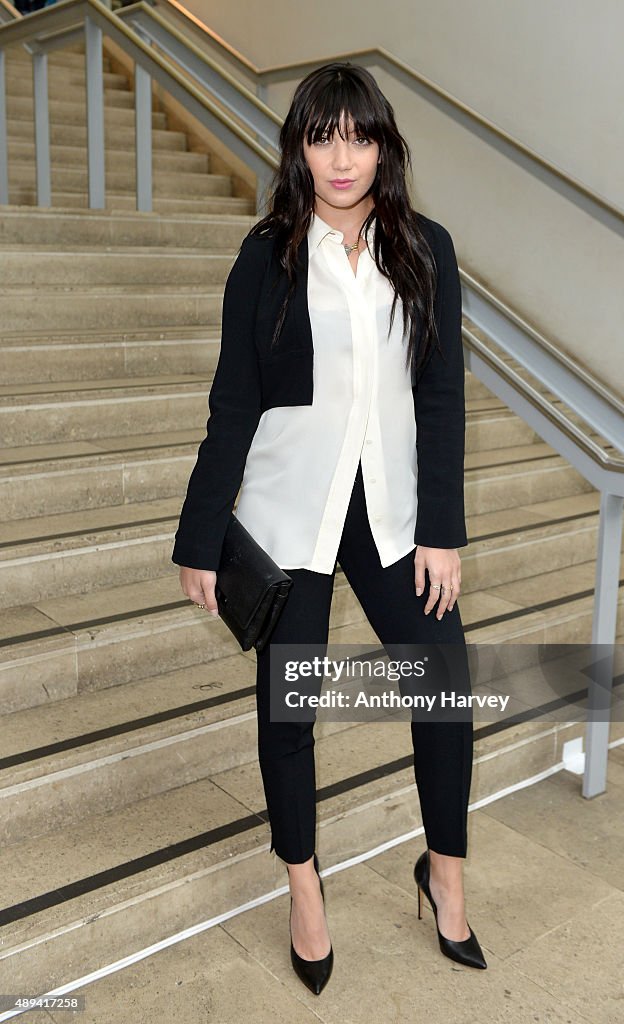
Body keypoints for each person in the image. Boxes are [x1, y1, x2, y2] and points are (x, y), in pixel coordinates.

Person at [171, 62, 486, 995]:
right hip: (287, 513)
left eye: (359, 136)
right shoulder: (264, 256)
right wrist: (199, 535)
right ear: (298, 146)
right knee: (290, 711)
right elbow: (233, 403)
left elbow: (441, 396)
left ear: (384, 146)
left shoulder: (424, 246)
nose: (341, 157)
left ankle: (446, 872)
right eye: (322, 135)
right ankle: (304, 889)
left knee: (446, 692)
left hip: (391, 515)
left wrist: (444, 528)